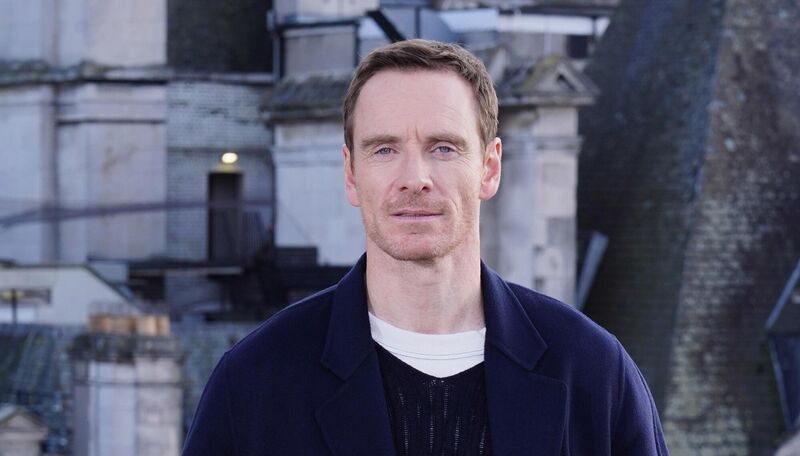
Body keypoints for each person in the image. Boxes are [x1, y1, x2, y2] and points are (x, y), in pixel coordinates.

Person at [182, 39, 669, 455]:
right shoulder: (255, 382)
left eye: (443, 148)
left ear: (490, 168)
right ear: (351, 174)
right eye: (385, 149)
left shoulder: (595, 373)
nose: (414, 178)